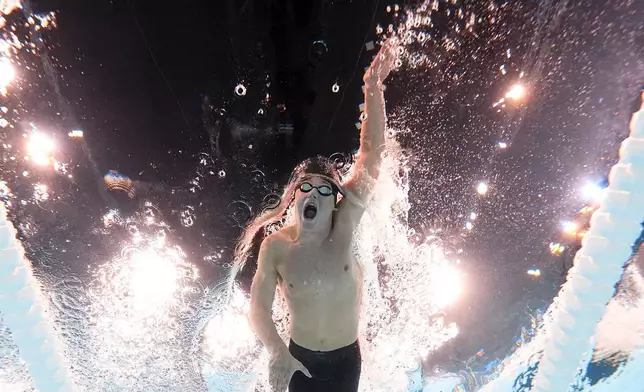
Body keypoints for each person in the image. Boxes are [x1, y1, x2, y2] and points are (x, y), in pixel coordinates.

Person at [231, 40, 398, 392]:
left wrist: (372, 87)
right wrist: (277, 351)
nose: (314, 194)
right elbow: (258, 309)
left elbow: (371, 156)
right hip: (298, 359)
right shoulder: (276, 247)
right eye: (306, 187)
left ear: (335, 201)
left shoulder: (345, 225)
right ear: (294, 196)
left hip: (344, 364)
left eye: (325, 189)